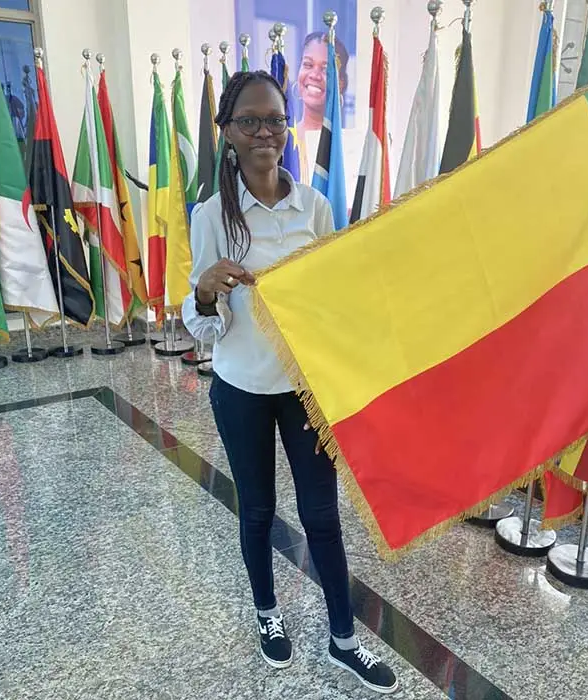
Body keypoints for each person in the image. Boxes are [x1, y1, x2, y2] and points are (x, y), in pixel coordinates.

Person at [182, 70, 398, 695]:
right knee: (256, 510)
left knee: (322, 515)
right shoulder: (209, 217)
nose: (264, 133)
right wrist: (204, 291)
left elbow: (332, 305)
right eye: (248, 121)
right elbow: (201, 330)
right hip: (240, 389)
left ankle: (344, 640)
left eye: (274, 120)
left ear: (287, 128)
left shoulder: (317, 208)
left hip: (304, 391)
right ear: (227, 133)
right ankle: (268, 616)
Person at [296, 31, 349, 134]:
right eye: (308, 64)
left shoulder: (347, 145)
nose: (315, 75)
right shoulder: (281, 140)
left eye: (326, 69)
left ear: (341, 84)